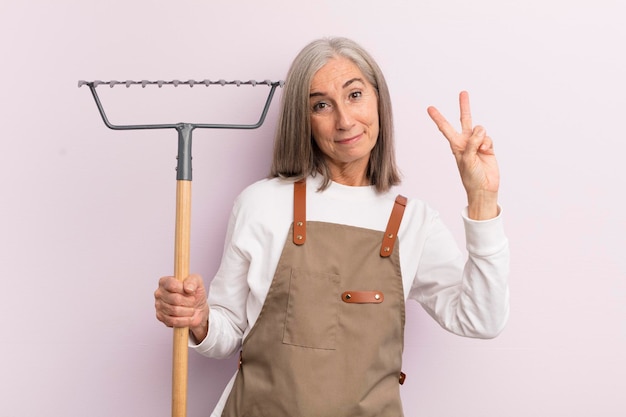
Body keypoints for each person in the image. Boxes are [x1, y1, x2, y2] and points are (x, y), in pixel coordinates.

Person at [154, 37, 509, 417]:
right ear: (302, 120)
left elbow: (481, 319)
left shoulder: (413, 221)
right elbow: (226, 335)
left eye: (354, 95)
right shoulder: (262, 204)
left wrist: (482, 200)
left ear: (378, 100)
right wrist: (199, 318)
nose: (344, 120)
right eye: (321, 105)